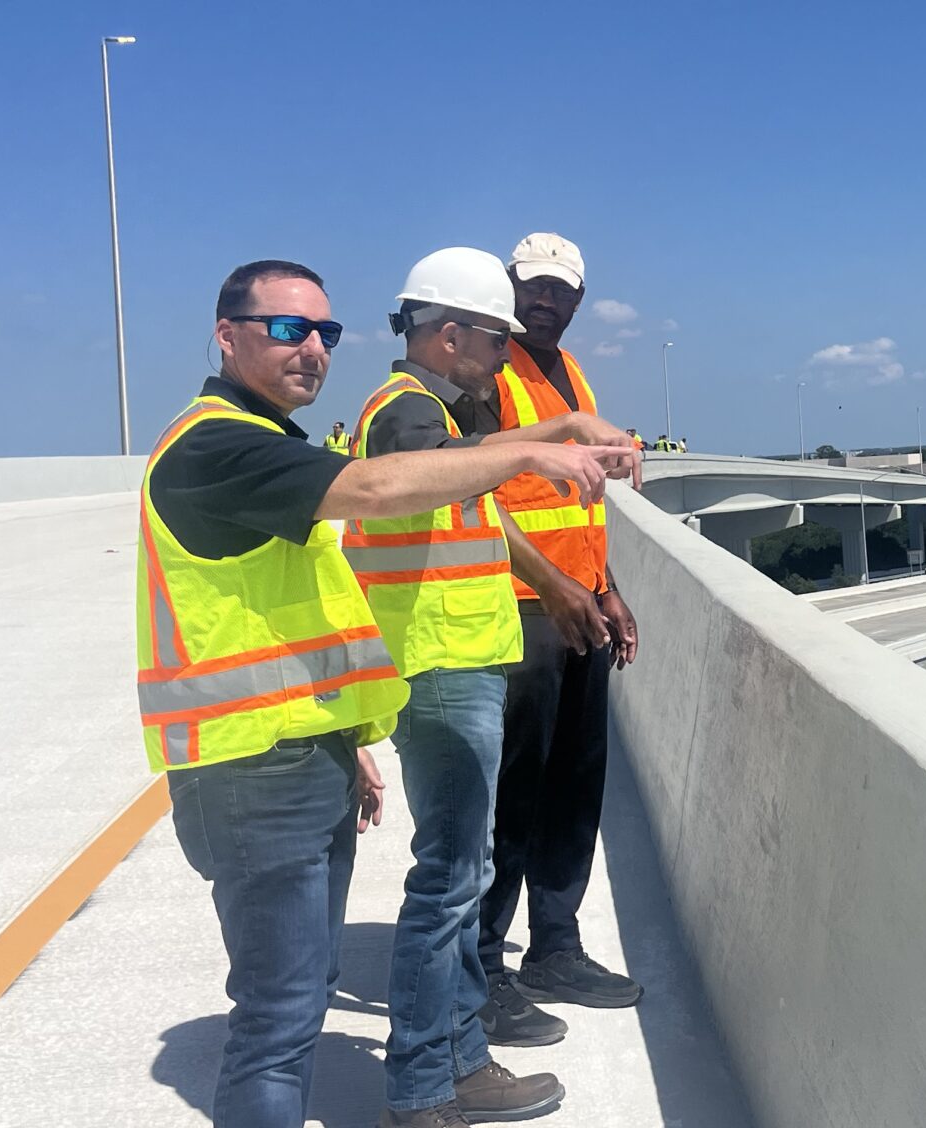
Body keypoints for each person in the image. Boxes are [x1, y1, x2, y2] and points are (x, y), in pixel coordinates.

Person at [138, 259, 630, 1128]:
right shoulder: (219, 443)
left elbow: (309, 597)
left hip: (309, 745)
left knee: (309, 990)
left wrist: (351, 739)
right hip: (264, 761)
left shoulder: (283, 441)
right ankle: (427, 1083)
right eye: (289, 329)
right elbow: (384, 483)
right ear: (227, 335)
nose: (314, 349)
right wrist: (539, 449)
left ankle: (446, 1068)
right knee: (286, 1014)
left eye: (324, 332)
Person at [353, 248, 639, 1126]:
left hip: (464, 657)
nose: (503, 351)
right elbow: (414, 482)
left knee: (464, 864)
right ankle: (422, 1082)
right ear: (450, 335)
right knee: (450, 879)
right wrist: (546, 448)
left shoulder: (439, 410)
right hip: (441, 670)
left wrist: (557, 443)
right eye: (493, 334)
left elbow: (467, 487)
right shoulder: (405, 414)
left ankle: (463, 1057)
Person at [474, 233, 647, 1040]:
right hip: (520, 605)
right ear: (509, 285)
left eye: (560, 291)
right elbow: (476, 488)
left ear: (578, 300)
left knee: (577, 782)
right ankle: (482, 962)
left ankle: (555, 943)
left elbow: (579, 501)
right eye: (533, 287)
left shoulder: (569, 372)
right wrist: (555, 585)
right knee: (515, 790)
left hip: (576, 606)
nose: (546, 301)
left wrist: (606, 588)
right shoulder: (488, 371)